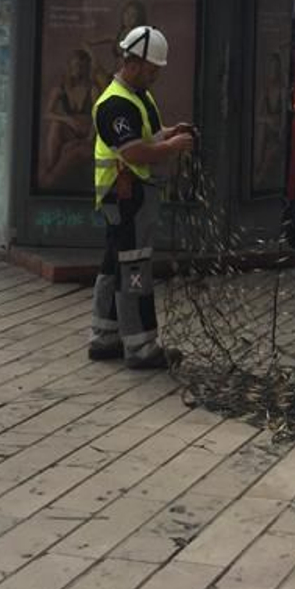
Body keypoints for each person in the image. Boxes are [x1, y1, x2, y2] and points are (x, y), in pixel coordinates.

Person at [88, 24, 193, 369]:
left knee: (113, 263)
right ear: (132, 63)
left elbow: (147, 136)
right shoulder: (115, 105)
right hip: (124, 196)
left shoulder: (138, 96)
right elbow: (134, 151)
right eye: (151, 70)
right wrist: (173, 147)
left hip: (128, 194)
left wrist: (171, 133)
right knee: (133, 267)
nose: (155, 76)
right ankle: (141, 346)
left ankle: (105, 337)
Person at [40, 47, 97, 188]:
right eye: (76, 65)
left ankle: (51, 177)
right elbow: (47, 113)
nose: (78, 69)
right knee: (56, 125)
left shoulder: (92, 89)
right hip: (71, 131)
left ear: (87, 68)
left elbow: (98, 117)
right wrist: (67, 119)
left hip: (89, 134)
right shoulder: (61, 88)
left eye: (82, 66)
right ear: (71, 66)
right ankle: (51, 167)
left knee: (72, 153)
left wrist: (88, 139)